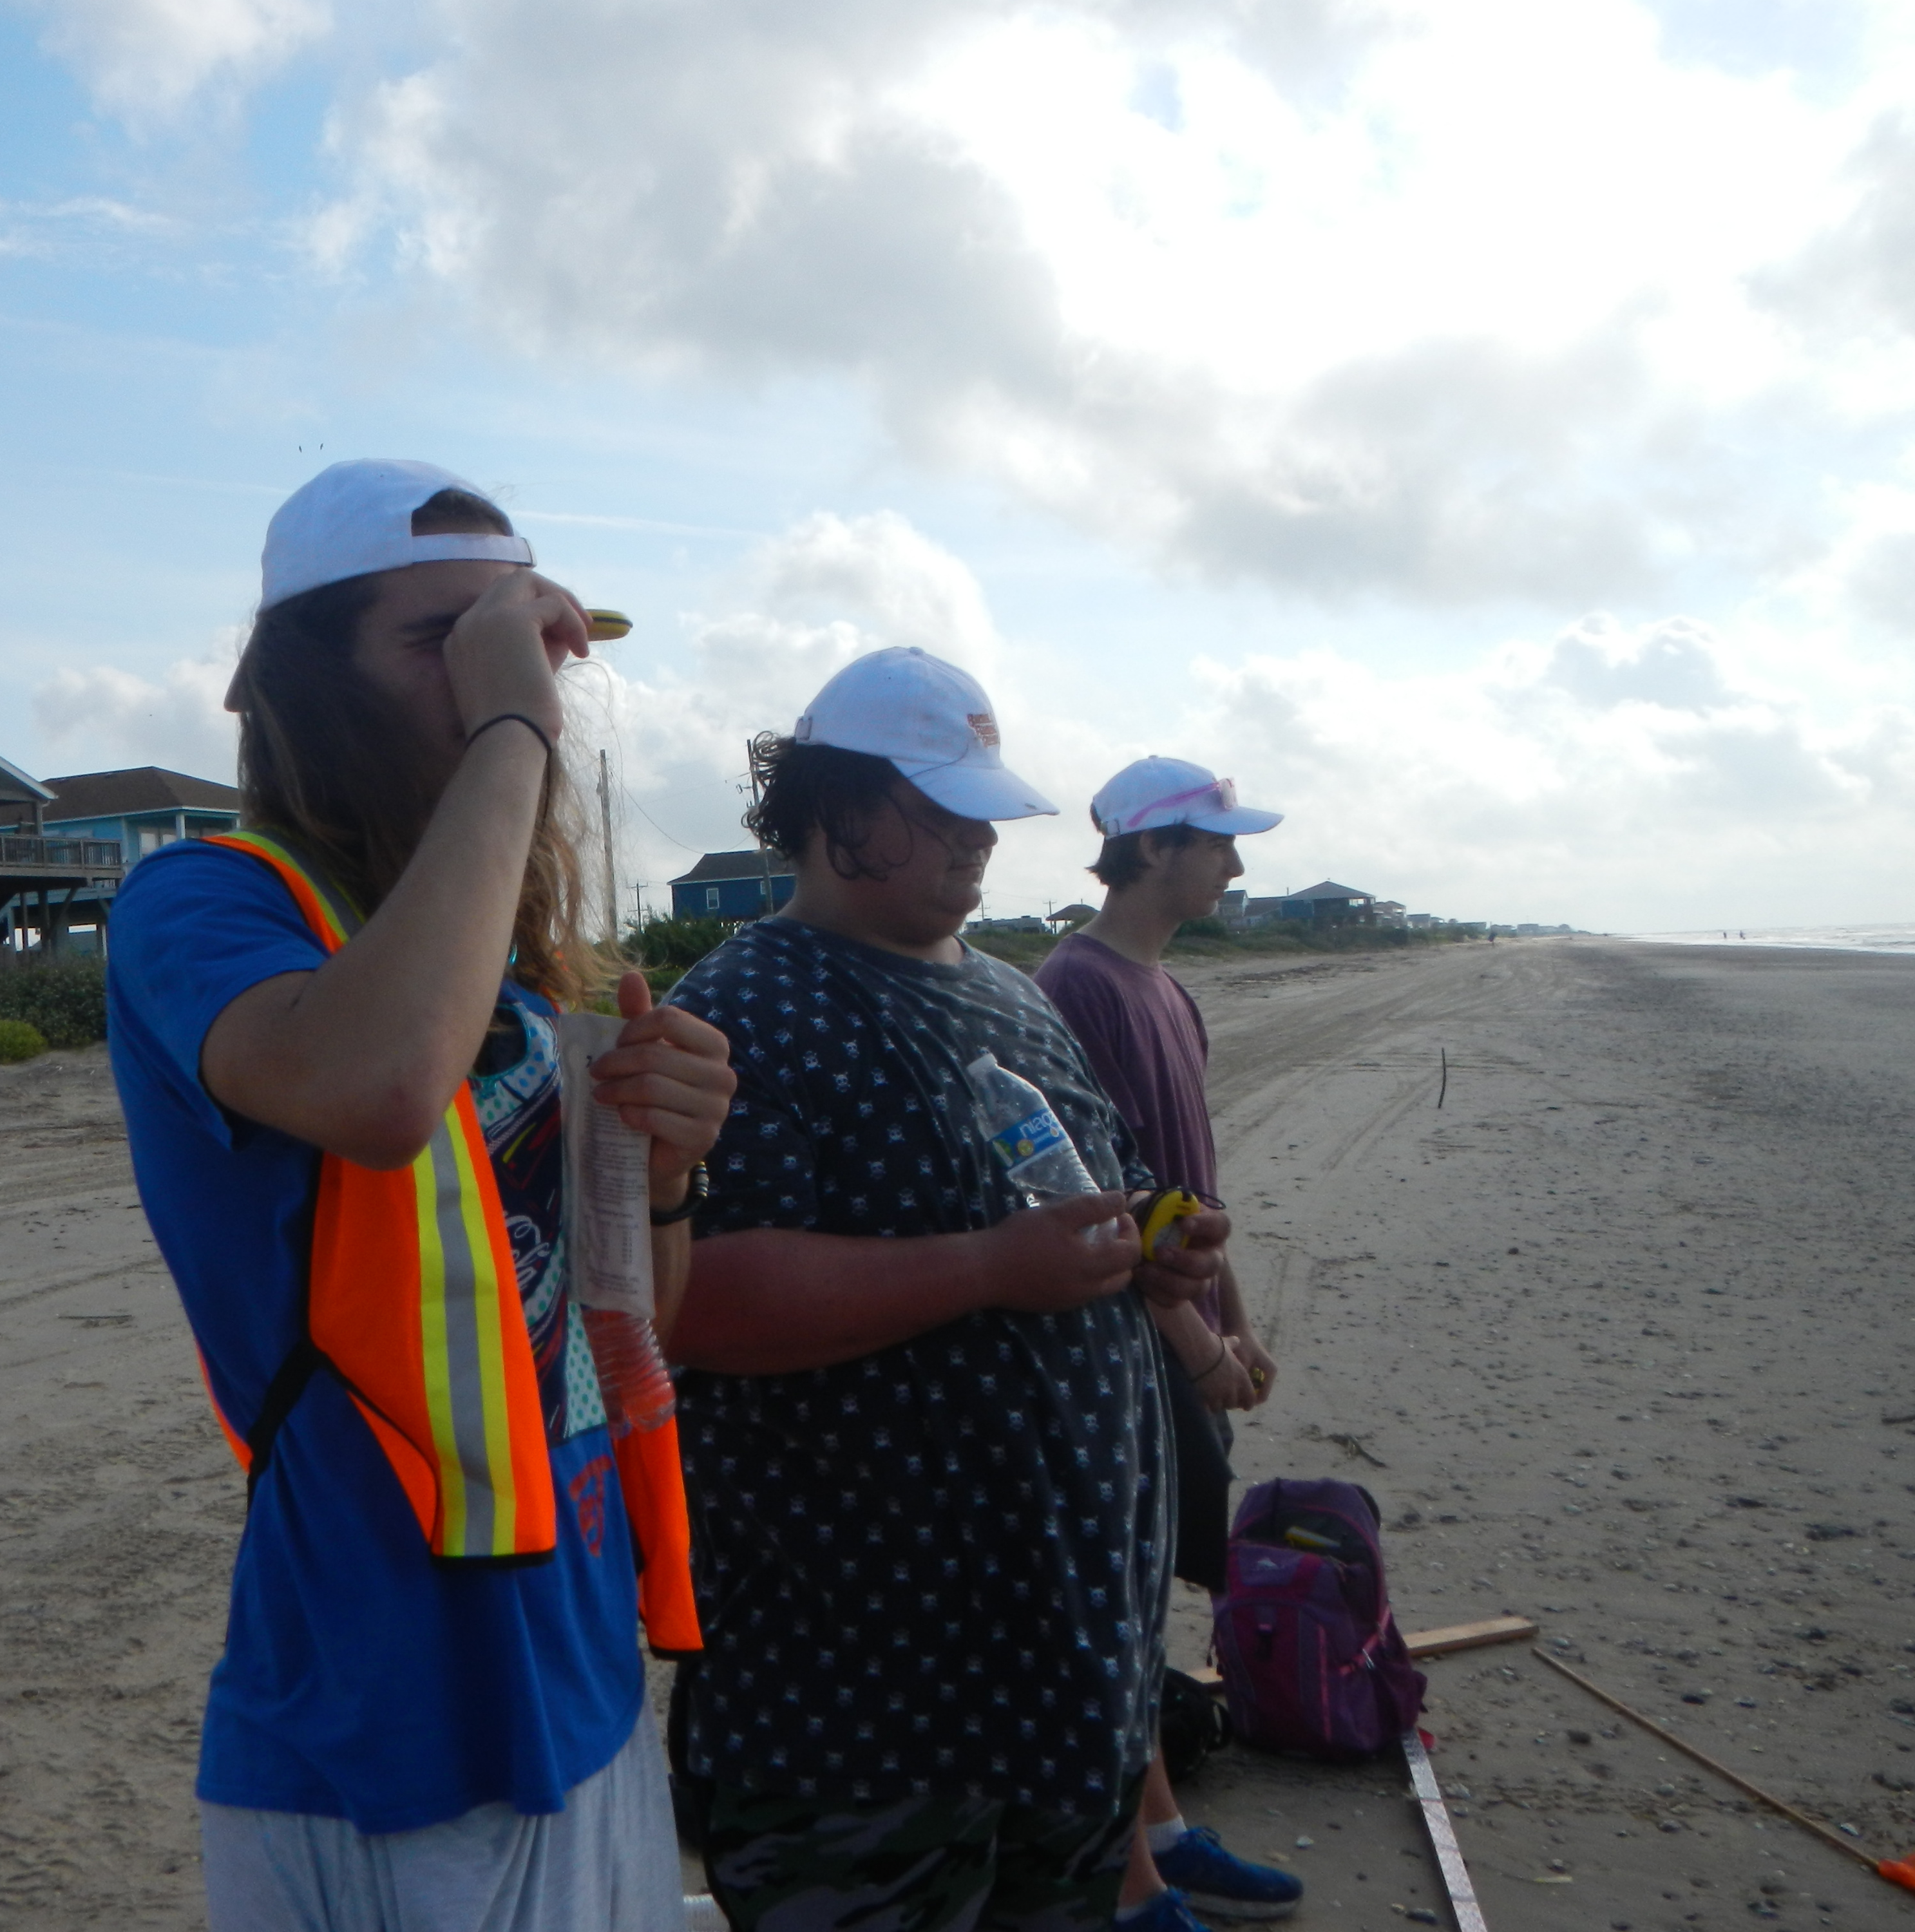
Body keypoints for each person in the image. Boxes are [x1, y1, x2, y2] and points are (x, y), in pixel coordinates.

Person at [106, 459, 736, 1932]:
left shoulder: (509, 977)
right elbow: (380, 1089)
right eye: (442, 641)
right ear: (304, 681)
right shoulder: (207, 904)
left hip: (582, 1672)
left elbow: (622, 1334)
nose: (499, 676)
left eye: (517, 642)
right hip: (385, 1724)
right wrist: (512, 726)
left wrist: (664, 1181)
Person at [665, 647, 1234, 1932]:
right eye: (940, 809)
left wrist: (1158, 1246)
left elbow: (1096, 1188)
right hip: (862, 1710)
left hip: (1067, 1676)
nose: (978, 837)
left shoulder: (1013, 999)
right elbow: (697, 1299)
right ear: (831, 810)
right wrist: (988, 1268)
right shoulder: (743, 1007)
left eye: (983, 809)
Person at [1036, 755, 1304, 1926]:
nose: (1235, 866)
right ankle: (1127, 1867)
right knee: (1114, 1588)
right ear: (1152, 848)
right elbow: (1098, 1198)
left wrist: (1237, 1320)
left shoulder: (1168, 992)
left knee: (1144, 1589)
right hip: (1117, 1338)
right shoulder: (1076, 987)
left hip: (1182, 1324)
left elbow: (1192, 1192)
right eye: (1217, 842)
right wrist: (1196, 1347)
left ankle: (1163, 1835)